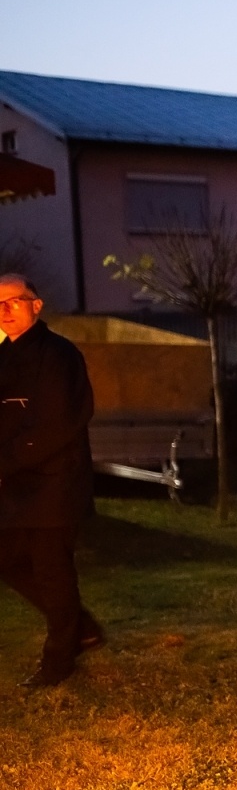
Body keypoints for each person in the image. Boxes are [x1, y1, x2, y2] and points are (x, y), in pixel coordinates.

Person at [0, 273, 103, 688]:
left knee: (51, 572)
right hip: (15, 485)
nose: (4, 311)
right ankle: (80, 626)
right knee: (6, 559)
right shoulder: (3, 356)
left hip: (54, 485)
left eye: (13, 301)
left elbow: (58, 424)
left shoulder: (60, 355)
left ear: (36, 305)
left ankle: (58, 662)